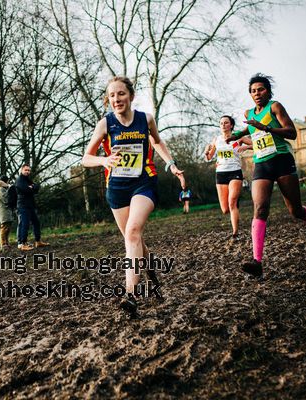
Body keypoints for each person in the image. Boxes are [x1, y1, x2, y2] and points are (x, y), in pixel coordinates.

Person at [82, 76, 184, 316]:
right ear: (108, 100)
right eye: (112, 96)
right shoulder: (105, 124)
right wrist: (104, 160)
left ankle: (130, 294)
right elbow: (86, 158)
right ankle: (151, 274)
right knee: (135, 242)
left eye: (121, 94)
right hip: (117, 188)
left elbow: (157, 142)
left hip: (143, 183)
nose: (117, 99)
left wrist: (171, 164)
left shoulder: (145, 119)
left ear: (131, 96)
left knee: (133, 232)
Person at [228, 73, 306, 277]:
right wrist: (237, 135)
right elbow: (252, 127)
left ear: (268, 91)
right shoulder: (249, 113)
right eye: (253, 91)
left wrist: (269, 128)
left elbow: (292, 132)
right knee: (260, 208)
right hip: (261, 163)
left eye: (260, 89)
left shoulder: (275, 107)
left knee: (295, 210)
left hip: (281, 160)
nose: (257, 93)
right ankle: (257, 261)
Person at [203, 115, 252, 237]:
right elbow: (209, 158)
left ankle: (235, 232)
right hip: (221, 173)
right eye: (221, 123)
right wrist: (206, 152)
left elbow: (256, 145)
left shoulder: (238, 137)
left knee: (232, 203)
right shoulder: (216, 140)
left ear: (231, 125)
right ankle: (234, 207)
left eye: (226, 123)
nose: (223, 125)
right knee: (225, 209)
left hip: (235, 172)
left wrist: (246, 146)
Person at [15, 164, 49, 251]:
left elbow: (37, 187)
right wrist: (31, 188)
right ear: (22, 170)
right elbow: (26, 190)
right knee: (24, 225)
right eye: (26, 170)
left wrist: (32, 187)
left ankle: (38, 241)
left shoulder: (28, 180)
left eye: (29, 170)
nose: (27, 172)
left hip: (31, 205)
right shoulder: (19, 180)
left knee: (36, 223)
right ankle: (23, 243)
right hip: (23, 206)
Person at [0, 175, 14, 250]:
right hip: (4, 210)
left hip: (7, 210)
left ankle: (6, 242)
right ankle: (3, 244)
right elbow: (5, 199)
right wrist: (10, 192)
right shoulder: (1, 189)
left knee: (7, 227)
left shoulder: (2, 189)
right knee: (4, 227)